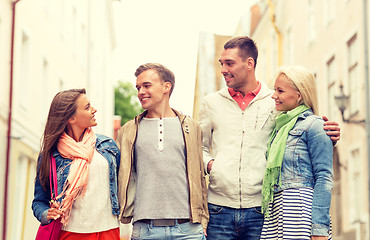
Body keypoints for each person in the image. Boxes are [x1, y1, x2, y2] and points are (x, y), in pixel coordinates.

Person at [199, 36, 340, 240]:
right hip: (220, 209)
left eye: (229, 63)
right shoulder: (211, 103)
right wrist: (212, 165)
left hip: (262, 209)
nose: (223, 69)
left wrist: (329, 135)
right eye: (222, 63)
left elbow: (299, 131)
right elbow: (199, 148)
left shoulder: (274, 102)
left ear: (249, 64)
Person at [116, 63, 208, 240]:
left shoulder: (191, 127)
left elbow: (199, 177)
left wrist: (203, 221)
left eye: (147, 85)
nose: (140, 91)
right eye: (138, 87)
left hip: (188, 230)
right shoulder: (128, 131)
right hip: (145, 230)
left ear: (166, 87)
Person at [32, 89, 121, 240]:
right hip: (70, 232)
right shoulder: (51, 155)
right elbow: (39, 201)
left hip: (109, 230)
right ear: (71, 118)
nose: (94, 110)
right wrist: (46, 213)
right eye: (87, 107)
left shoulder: (108, 146)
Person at [260, 65, 333, 240]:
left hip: (300, 212)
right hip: (277, 210)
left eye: (280, 91)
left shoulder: (315, 125)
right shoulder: (280, 127)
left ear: (299, 95)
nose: (274, 95)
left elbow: (324, 177)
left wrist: (319, 230)